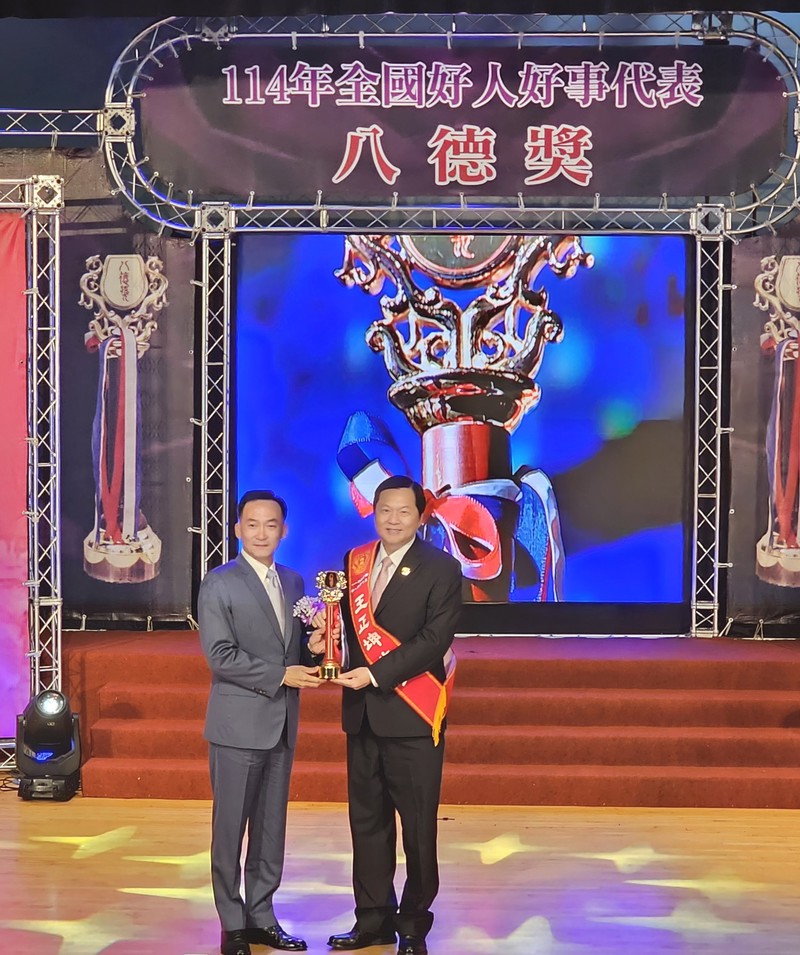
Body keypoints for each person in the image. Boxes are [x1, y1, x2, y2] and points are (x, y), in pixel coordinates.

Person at [328, 475, 463, 955]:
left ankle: (413, 925)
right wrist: (324, 643)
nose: (393, 519)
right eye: (385, 509)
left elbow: (434, 640)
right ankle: (373, 921)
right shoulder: (354, 562)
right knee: (367, 824)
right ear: (375, 511)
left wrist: (375, 674)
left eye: (404, 511)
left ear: (420, 516)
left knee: (418, 829)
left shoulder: (442, 568)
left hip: (412, 715)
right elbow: (346, 631)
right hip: (362, 717)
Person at [198, 489, 325, 955]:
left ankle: (262, 916)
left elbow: (293, 649)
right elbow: (219, 655)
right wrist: (281, 675)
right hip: (237, 726)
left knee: (272, 828)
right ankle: (232, 924)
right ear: (237, 529)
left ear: (283, 530)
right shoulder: (219, 583)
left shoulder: (293, 581)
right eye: (252, 524)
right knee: (230, 829)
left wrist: (314, 650)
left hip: (282, 723)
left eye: (271, 525)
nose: (261, 533)